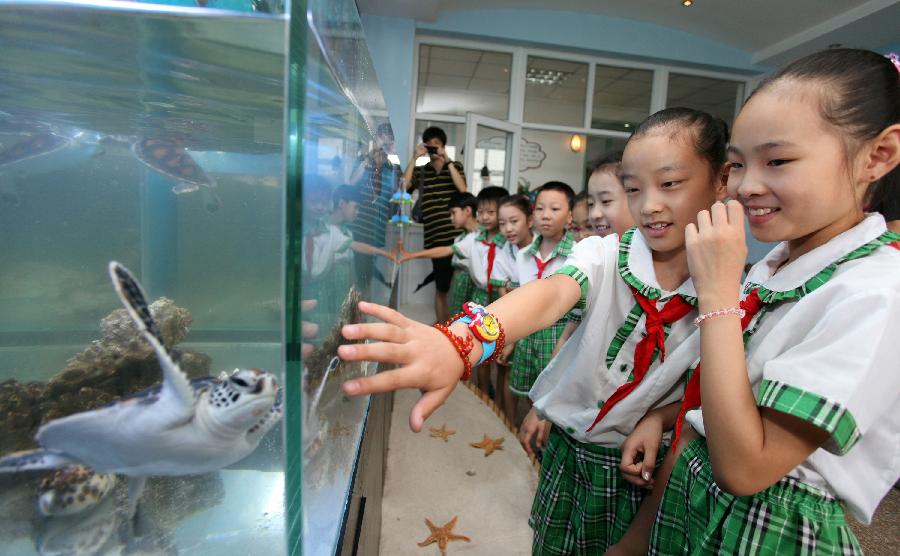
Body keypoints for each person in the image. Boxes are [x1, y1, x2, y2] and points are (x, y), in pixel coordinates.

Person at [337, 107, 730, 553]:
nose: (650, 204)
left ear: (722, 179)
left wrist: (659, 417)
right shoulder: (604, 254)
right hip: (570, 447)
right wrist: (463, 342)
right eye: (634, 189)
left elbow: (711, 387)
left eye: (670, 183)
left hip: (648, 469)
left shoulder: (736, 291)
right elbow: (550, 294)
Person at [624, 48, 899, 556]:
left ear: (878, 156)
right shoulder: (778, 266)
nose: (748, 186)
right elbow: (733, 392)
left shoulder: (877, 292)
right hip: (694, 495)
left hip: (766, 526)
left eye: (777, 161)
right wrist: (663, 416)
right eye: (738, 164)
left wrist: (717, 293)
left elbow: (747, 467)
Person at [503, 182, 577, 424]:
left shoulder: (577, 255)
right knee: (528, 394)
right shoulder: (523, 255)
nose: (545, 215)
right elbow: (516, 298)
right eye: (540, 208)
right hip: (527, 334)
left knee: (552, 399)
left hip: (557, 338)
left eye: (555, 209)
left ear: (569, 216)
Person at [404, 126, 467, 323]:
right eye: (429, 145)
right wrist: (415, 158)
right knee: (441, 286)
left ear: (443, 146)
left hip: (456, 236)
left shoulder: (454, 166)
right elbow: (404, 187)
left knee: (458, 285)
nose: (432, 149)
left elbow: (463, 190)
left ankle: (454, 325)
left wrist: (447, 160)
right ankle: (443, 326)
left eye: (436, 145)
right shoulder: (422, 171)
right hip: (434, 237)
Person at [398, 192, 480, 316]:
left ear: (468, 210)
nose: (451, 218)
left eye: (453, 213)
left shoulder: (480, 236)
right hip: (461, 291)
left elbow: (445, 250)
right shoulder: (461, 238)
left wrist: (411, 255)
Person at [494, 194, 535, 421]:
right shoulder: (504, 254)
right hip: (513, 322)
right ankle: (510, 423)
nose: (507, 229)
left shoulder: (542, 249)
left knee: (537, 385)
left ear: (529, 220)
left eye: (514, 221)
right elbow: (506, 301)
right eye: (502, 223)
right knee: (510, 373)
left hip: (540, 324)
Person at [349, 123, 400, 290]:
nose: (384, 143)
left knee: (368, 278)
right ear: (375, 138)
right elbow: (352, 182)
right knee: (356, 277)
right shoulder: (362, 161)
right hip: (358, 228)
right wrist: (368, 159)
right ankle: (357, 311)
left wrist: (391, 154)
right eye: (381, 138)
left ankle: (362, 311)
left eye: (389, 139)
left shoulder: (391, 169)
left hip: (377, 231)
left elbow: (395, 196)